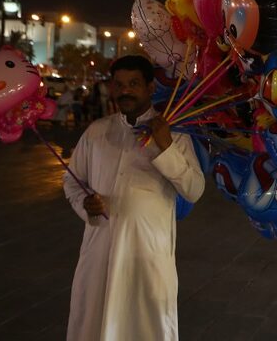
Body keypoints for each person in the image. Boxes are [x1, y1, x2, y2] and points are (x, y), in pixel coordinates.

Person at [63, 55, 205, 340]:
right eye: (119, 84)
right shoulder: (97, 132)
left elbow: (193, 188)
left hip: (147, 255)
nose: (125, 90)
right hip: (98, 253)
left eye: (134, 84)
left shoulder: (173, 134)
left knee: (147, 327)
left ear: (150, 88)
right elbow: (72, 181)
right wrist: (84, 203)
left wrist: (165, 147)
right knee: (93, 322)